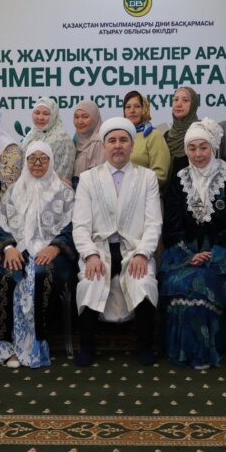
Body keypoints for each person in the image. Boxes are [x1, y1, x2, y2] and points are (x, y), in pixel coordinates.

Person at [73, 117, 162, 367]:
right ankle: (87, 347)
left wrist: (143, 253)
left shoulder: (147, 178)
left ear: (132, 145)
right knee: (90, 281)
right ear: (104, 146)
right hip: (99, 248)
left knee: (143, 281)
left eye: (123, 140)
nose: (118, 145)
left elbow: (154, 223)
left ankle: (145, 346)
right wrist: (90, 255)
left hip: (134, 248)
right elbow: (80, 226)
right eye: (112, 140)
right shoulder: (88, 178)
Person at [160, 118, 226, 369]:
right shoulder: (179, 181)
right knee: (179, 282)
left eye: (203, 147)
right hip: (183, 253)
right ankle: (182, 351)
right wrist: (189, 256)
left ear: (213, 147)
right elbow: (172, 225)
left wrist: (211, 254)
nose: (198, 154)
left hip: (219, 253)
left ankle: (204, 352)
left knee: (201, 283)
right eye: (192, 148)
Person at [0, 141, 77, 368]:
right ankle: (8, 347)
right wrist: (8, 248)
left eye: (43, 158)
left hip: (54, 253)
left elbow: (74, 226)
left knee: (39, 274)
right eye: (32, 158)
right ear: (25, 162)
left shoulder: (64, 192)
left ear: (51, 161)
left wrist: (56, 247)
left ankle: (36, 346)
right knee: (7, 276)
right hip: (18, 249)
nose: (37, 163)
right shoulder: (14, 191)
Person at [122, 90, 171, 189]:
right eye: (128, 107)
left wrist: (134, 188)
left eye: (137, 106)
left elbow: (160, 175)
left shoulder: (153, 135)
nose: (132, 110)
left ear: (144, 109)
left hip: (146, 195)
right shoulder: (120, 136)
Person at [21, 97, 76, 182]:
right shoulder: (30, 135)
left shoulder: (64, 140)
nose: (40, 117)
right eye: (37, 113)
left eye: (46, 114)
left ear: (54, 115)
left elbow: (64, 173)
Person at [163, 86, 200, 178]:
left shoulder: (200, 132)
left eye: (185, 100)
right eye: (175, 100)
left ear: (193, 105)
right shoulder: (167, 136)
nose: (178, 104)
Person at [72, 100, 105, 186]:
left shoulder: (100, 142)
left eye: (85, 117)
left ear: (95, 119)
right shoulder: (75, 140)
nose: (80, 121)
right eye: (76, 117)